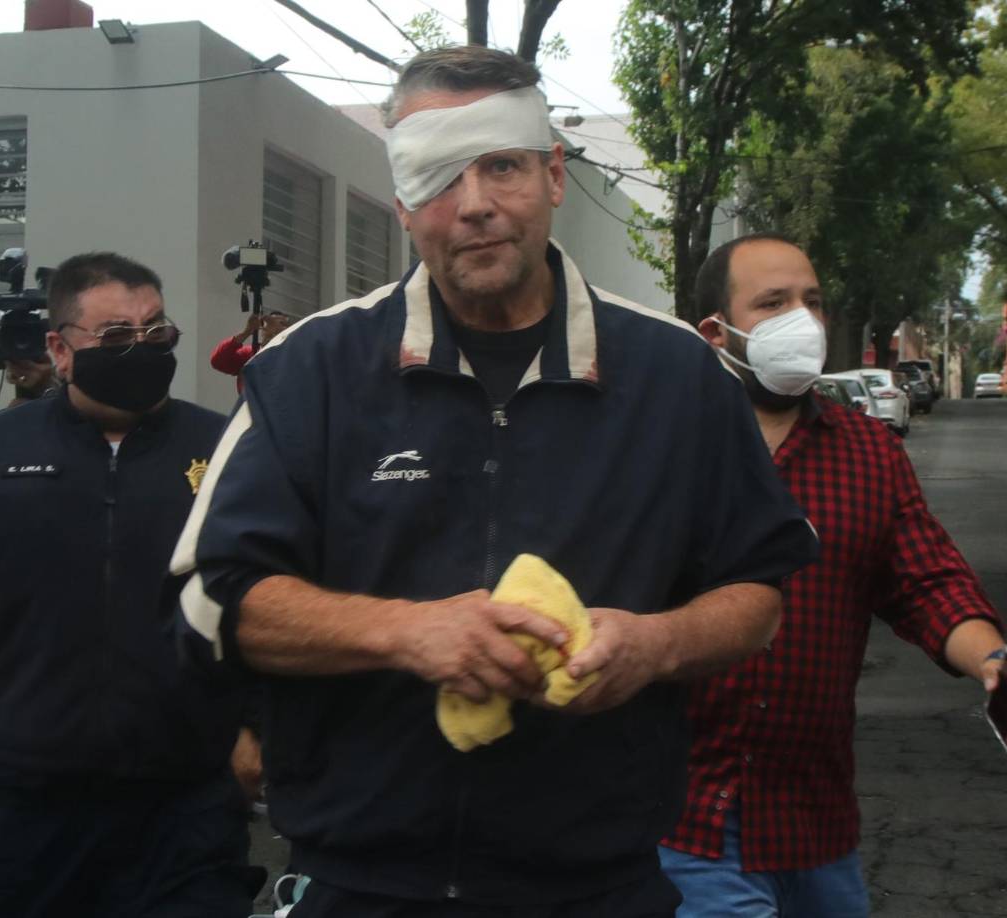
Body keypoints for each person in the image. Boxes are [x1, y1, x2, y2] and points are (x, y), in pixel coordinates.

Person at [173, 47, 819, 918]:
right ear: (403, 205)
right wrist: (405, 633)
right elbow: (214, 602)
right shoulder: (309, 371)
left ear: (553, 175)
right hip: (363, 887)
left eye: (503, 166)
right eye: (437, 176)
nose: (474, 203)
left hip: (601, 886)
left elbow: (757, 589)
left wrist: (656, 646)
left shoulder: (680, 377)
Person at [661, 233, 1007, 917]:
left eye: (812, 302)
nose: (801, 321)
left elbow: (930, 582)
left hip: (817, 831)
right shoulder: (662, 448)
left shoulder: (867, 452)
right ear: (717, 332)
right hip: (686, 825)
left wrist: (994, 664)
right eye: (773, 303)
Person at [0, 252, 257, 918]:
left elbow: (275, 602)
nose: (143, 348)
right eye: (117, 336)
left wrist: (262, 733)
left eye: (156, 332)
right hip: (30, 813)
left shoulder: (228, 453)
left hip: (187, 810)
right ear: (60, 351)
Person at [210, 309, 293, 391]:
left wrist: (280, 335)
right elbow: (218, 361)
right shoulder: (250, 353)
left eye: (281, 324)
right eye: (269, 322)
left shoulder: (293, 354)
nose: (273, 326)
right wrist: (247, 332)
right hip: (252, 403)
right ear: (262, 329)